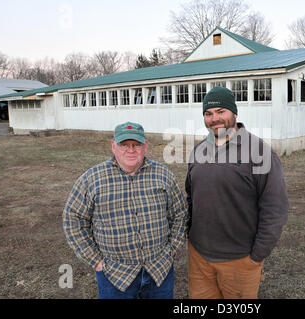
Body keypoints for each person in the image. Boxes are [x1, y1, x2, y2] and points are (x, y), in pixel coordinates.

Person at [63, 121, 188, 299]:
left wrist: (173, 248)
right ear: (113, 146)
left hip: (159, 272)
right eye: (124, 145)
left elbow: (180, 213)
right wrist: (95, 260)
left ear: (145, 147)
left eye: (136, 145)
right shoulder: (91, 179)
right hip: (114, 276)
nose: (131, 150)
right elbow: (73, 219)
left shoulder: (163, 175)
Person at [185, 86, 290, 299]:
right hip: (199, 258)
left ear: (234, 113)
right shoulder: (198, 151)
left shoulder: (260, 152)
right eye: (208, 113)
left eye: (221, 111)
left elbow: (275, 209)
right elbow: (191, 197)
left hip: (239, 259)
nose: (214, 119)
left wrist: (257, 255)